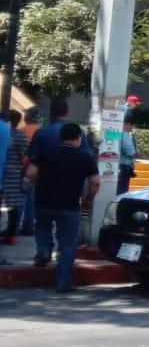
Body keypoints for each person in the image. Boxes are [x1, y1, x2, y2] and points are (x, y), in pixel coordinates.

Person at [25, 122, 100, 292]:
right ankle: (64, 281)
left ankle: (44, 250)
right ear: (78, 139)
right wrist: (88, 199)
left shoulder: (45, 152)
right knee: (67, 243)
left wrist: (42, 181)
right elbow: (95, 182)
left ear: (61, 138)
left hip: (44, 202)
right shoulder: (84, 157)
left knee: (43, 228)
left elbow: (30, 173)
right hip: (69, 205)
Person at [1, 110, 30, 245]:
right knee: (13, 206)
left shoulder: (5, 132)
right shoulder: (19, 135)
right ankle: (11, 234)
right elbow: (26, 155)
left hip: (5, 172)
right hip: (13, 174)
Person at [117, 96, 143, 194]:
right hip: (123, 168)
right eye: (135, 103)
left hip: (120, 167)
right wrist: (137, 154)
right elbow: (130, 152)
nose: (135, 106)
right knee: (121, 192)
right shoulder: (126, 111)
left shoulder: (122, 109)